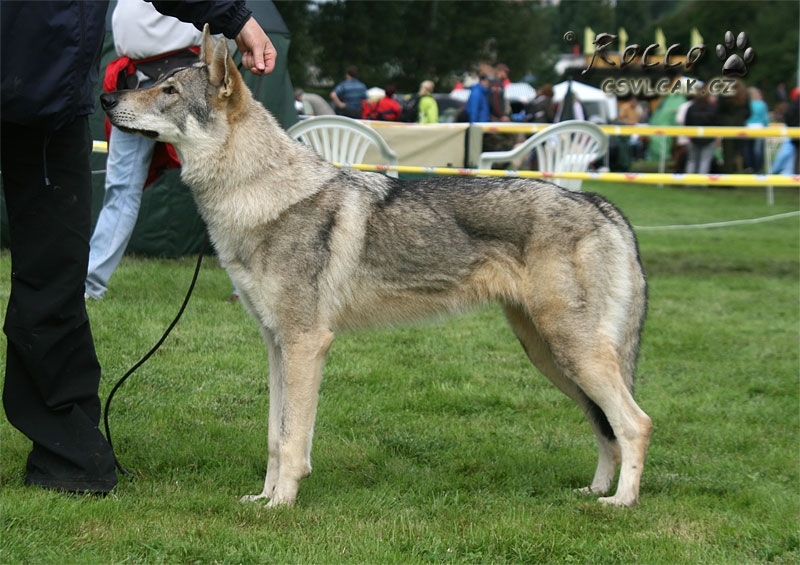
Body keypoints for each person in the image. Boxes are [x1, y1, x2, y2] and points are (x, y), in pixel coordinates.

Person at [1, 0, 275, 495]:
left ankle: (69, 455)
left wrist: (234, 17)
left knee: (61, 265)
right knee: (116, 199)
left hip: (50, 97)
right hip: (66, 80)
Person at [86, 0, 208, 301]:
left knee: (219, 184)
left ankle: (244, 281)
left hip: (183, 87)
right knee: (121, 188)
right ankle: (89, 284)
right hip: (137, 83)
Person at [717, 79, 750, 173]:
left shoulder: (724, 96)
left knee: (727, 154)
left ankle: (728, 175)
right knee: (738, 153)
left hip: (727, 127)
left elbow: (719, 110)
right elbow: (749, 112)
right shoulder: (744, 95)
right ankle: (736, 173)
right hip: (740, 127)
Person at [684, 91, 719, 174]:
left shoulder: (691, 108)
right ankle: (702, 183)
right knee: (705, 161)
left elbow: (687, 123)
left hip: (694, 137)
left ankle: (689, 182)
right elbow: (717, 124)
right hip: (708, 138)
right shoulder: (713, 108)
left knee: (692, 160)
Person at [742, 87, 769, 173]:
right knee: (757, 149)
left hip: (748, 126)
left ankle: (748, 165)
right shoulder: (762, 104)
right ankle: (757, 167)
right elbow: (765, 118)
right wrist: (766, 126)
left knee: (747, 148)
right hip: (759, 127)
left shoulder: (747, 104)